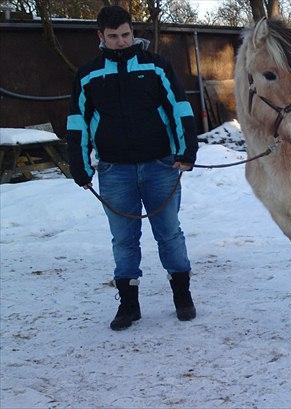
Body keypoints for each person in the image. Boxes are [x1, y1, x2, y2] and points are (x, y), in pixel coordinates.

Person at [66, 5, 198, 331]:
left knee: (169, 233)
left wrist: (187, 150)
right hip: (115, 171)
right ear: (101, 37)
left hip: (160, 166)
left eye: (125, 34)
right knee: (123, 239)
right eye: (113, 37)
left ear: (132, 31)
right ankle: (129, 304)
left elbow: (179, 108)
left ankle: (182, 294)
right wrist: (80, 167)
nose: (122, 42)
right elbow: (78, 124)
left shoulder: (156, 67)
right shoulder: (88, 75)